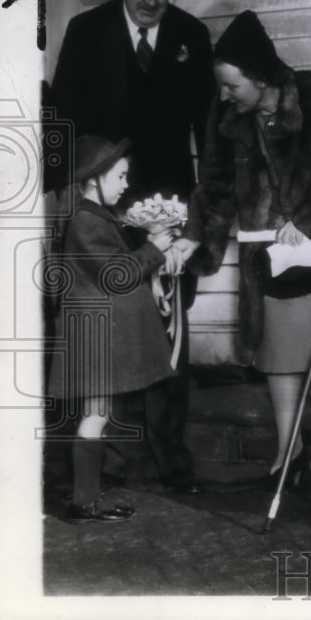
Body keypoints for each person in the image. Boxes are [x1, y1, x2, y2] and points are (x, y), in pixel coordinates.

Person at [169, 11, 311, 493]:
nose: (223, 96)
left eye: (231, 86)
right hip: (267, 257)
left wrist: (308, 223)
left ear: (259, 78)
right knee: (278, 353)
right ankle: (288, 450)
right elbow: (214, 186)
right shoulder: (226, 118)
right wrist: (194, 237)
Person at [49, 0, 215, 494]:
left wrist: (199, 216)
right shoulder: (86, 33)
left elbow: (208, 136)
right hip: (107, 210)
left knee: (169, 337)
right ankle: (111, 462)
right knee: (113, 340)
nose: (152, 1)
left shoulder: (192, 36)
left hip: (168, 210)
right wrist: (68, 199)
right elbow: (65, 126)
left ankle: (170, 457)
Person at [47, 136, 178, 522]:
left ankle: (86, 498)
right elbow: (116, 276)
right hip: (95, 335)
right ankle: (83, 502)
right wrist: (154, 246)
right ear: (94, 179)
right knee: (96, 415)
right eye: (119, 177)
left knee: (96, 414)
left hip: (94, 332)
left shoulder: (93, 216)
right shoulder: (86, 220)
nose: (125, 185)